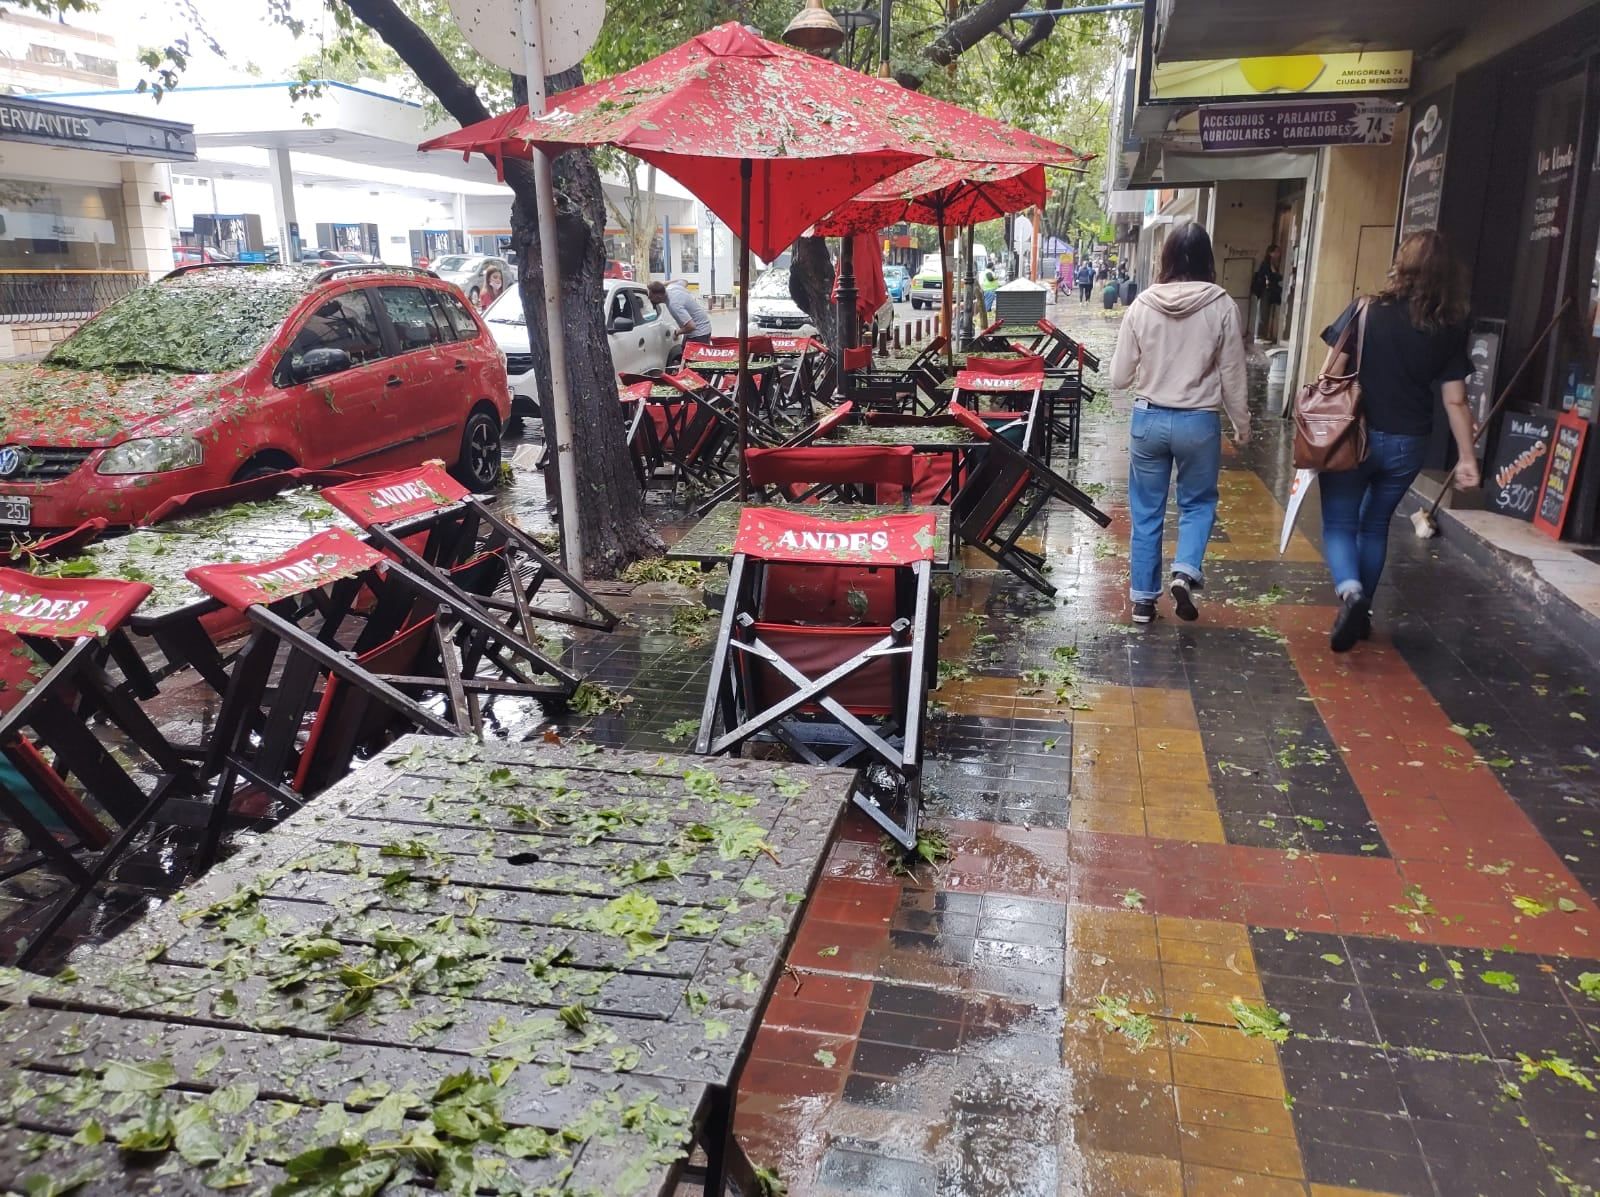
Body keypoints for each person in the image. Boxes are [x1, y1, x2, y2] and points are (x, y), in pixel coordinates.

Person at [1316, 230, 1479, 652]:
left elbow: (1330, 370)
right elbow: (1456, 400)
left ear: (1400, 265)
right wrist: (1466, 457)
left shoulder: (1366, 310)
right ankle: (1363, 613)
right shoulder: (1449, 327)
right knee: (1374, 524)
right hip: (1408, 442)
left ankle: (1350, 593)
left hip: (1354, 434)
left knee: (1338, 521)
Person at [1110, 222, 1249, 625]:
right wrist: (1242, 424)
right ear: (1208, 259)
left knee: (1147, 510)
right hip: (1199, 422)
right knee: (1199, 503)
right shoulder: (1222, 305)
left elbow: (1119, 377)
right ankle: (1185, 573)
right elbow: (1233, 375)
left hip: (1148, 419)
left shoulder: (1141, 305)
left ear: (1165, 258)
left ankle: (1142, 602)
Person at [649, 279, 712, 344]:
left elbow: (691, 326)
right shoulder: (672, 287)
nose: (649, 298)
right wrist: (662, 284)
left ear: (659, 296)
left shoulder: (674, 305)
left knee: (690, 353)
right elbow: (684, 281)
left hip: (699, 333)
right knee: (684, 349)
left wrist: (677, 333)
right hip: (703, 327)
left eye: (651, 297)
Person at [1252, 245, 1284, 341]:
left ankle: (1264, 334)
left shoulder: (1273, 264)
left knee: (1266, 313)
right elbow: (1270, 277)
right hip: (1265, 291)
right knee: (1263, 312)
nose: (1279, 254)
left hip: (1269, 291)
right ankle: (1260, 335)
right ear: (1271, 253)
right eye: (1276, 252)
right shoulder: (1267, 264)